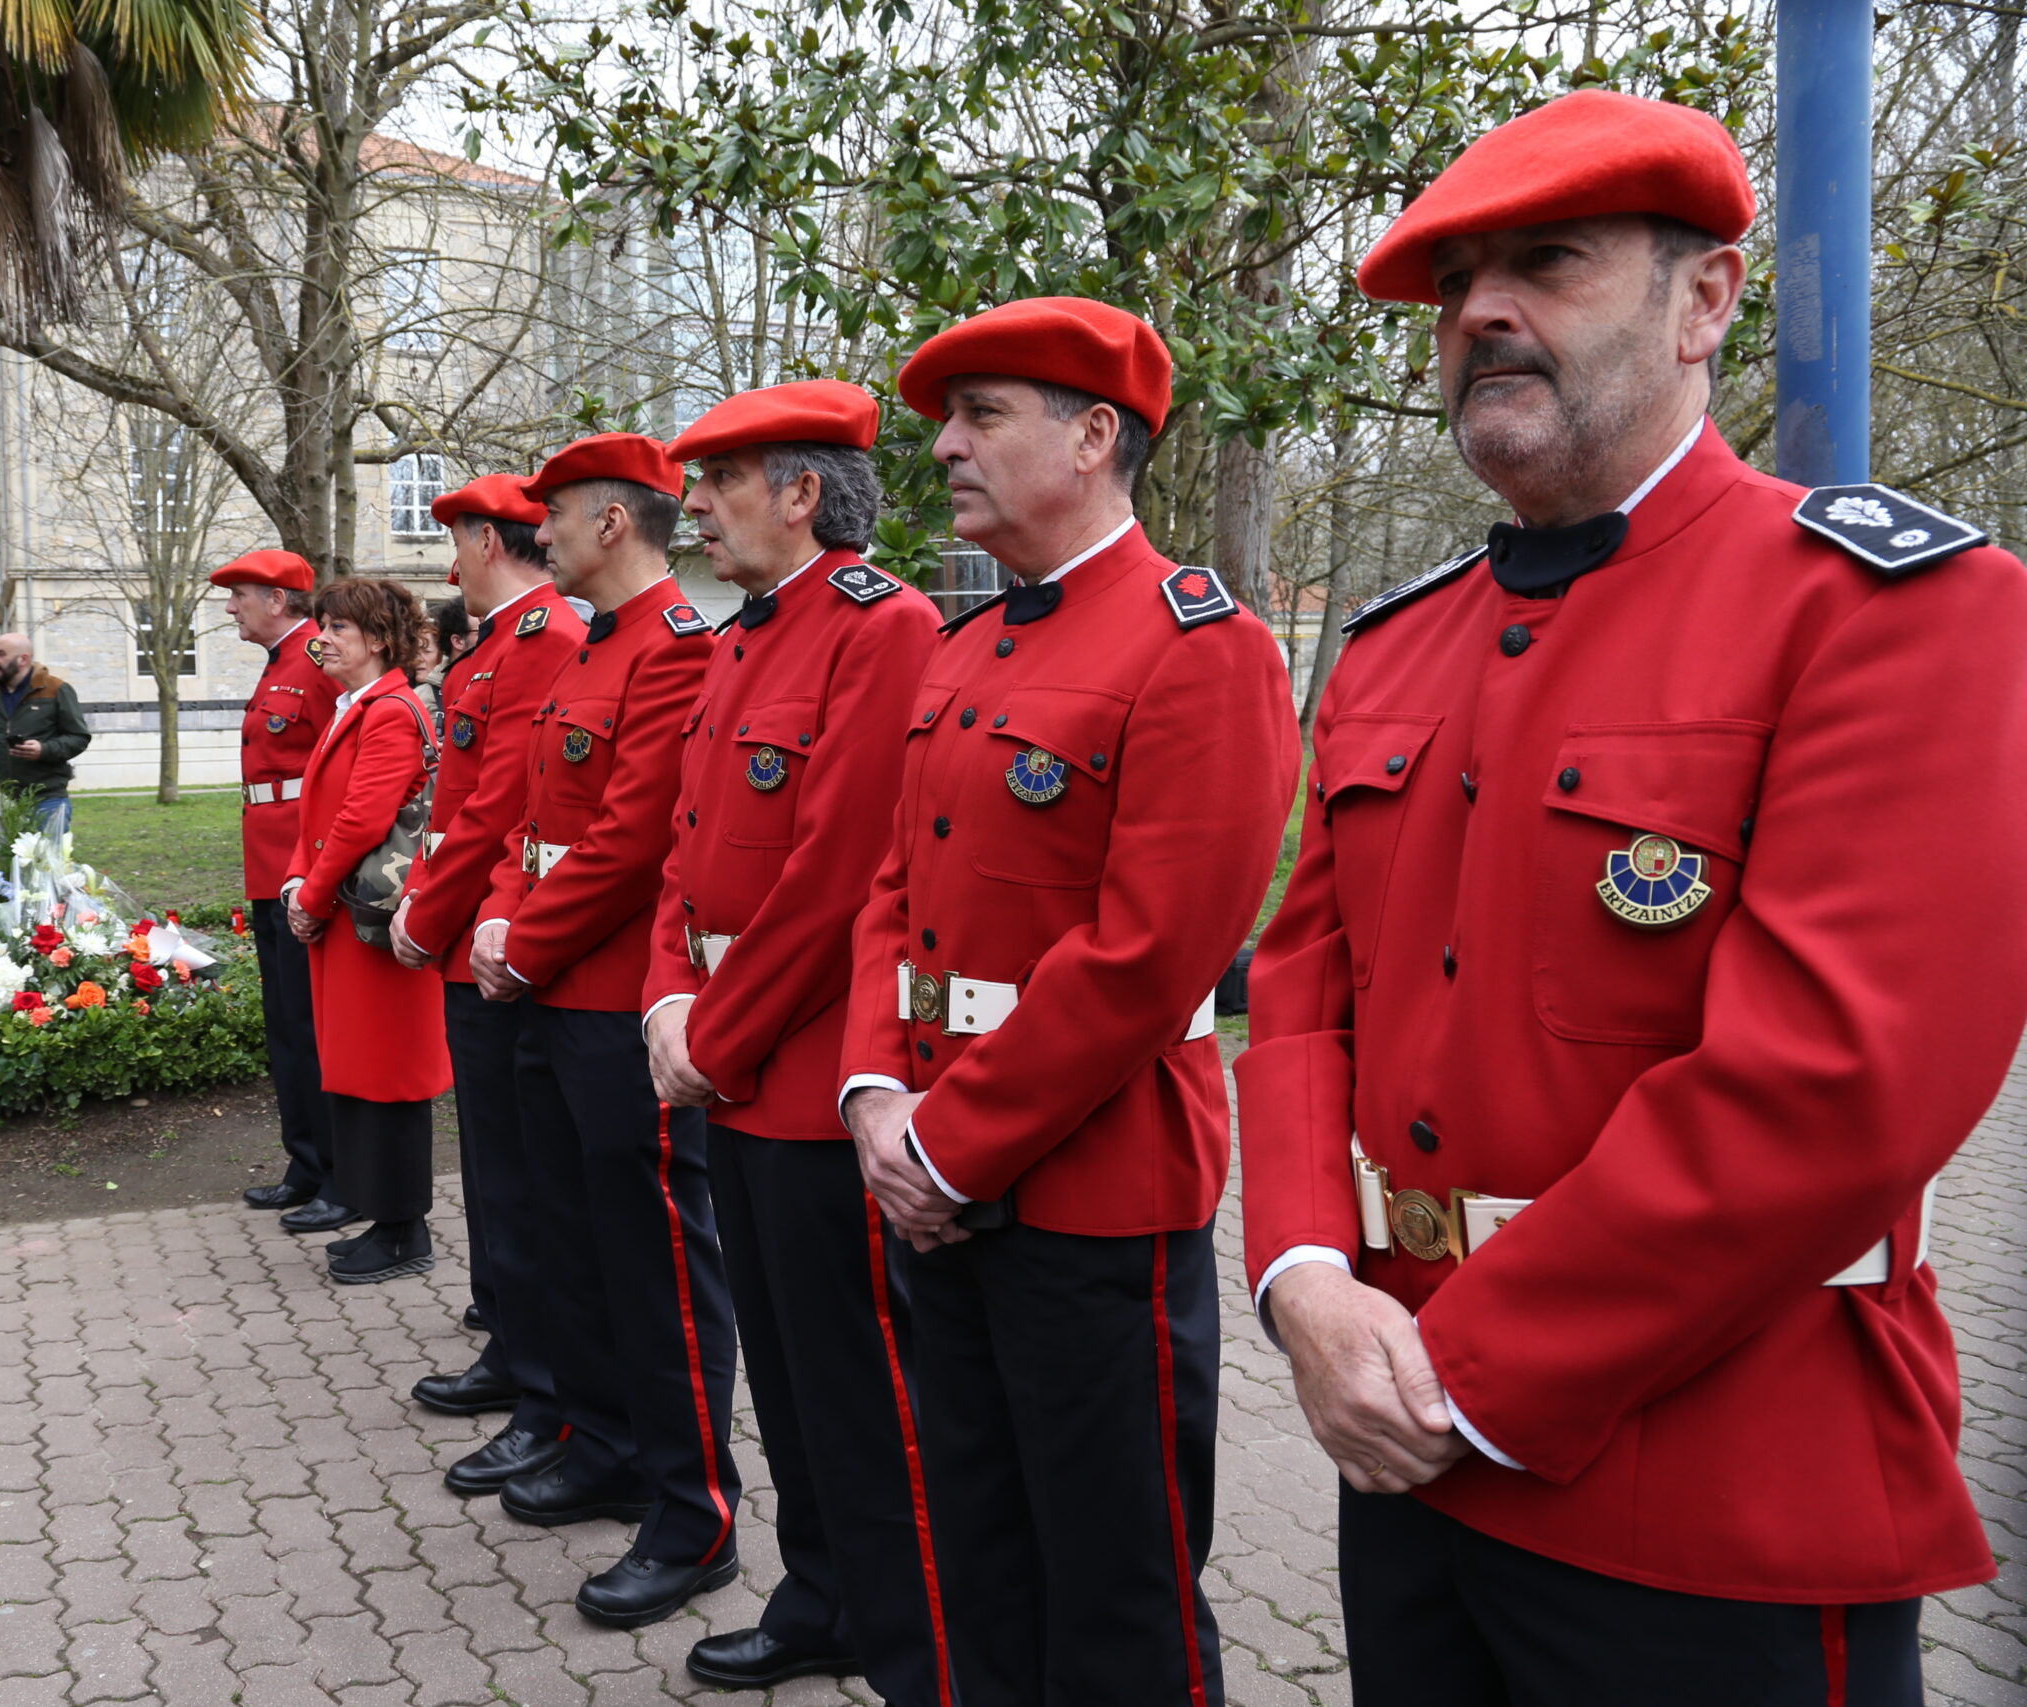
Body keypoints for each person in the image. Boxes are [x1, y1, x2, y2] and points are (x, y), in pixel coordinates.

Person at [1238, 90, 2027, 1707]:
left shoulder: (1892, 610)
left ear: (1707, 299)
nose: (1483, 315)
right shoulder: (1395, 645)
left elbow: (1834, 1089)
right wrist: (1306, 1277)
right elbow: (1304, 985)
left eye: (1550, 262)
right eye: (1458, 287)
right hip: (1395, 1453)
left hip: (1711, 1505)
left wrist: (1454, 1375)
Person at [838, 298, 1300, 1703]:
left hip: (1089, 1195)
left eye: (982, 414)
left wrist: (942, 1145)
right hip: (930, 1164)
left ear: (1096, 435)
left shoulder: (1199, 646)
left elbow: (1150, 955)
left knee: (1116, 1595)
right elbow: (887, 893)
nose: (942, 445)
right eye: (945, 417)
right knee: (975, 1552)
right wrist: (871, 1092)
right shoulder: (963, 649)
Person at [645, 381, 949, 1700]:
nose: (694, 506)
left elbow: (838, 876)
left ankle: (915, 1641)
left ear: (802, 493)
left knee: (863, 1391)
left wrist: (707, 1035)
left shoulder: (886, 630)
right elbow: (685, 849)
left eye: (718, 480)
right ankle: (823, 1593)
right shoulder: (742, 638)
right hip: (729, 1059)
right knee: (787, 1371)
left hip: (818, 1078)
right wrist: (667, 1000)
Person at [468, 434, 735, 1629]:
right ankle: (601, 1438)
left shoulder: (675, 648)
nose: (546, 535)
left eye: (560, 515)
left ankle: (694, 1513)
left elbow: (631, 842)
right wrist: (497, 919)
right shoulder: (597, 645)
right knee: (573, 1240)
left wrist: (520, 947)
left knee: (658, 1264)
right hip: (547, 991)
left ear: (614, 524)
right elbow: (533, 819)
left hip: (613, 1000)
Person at [387, 474, 583, 1496]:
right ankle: (513, 1349)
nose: (447, 560)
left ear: (487, 540)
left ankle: (541, 1376)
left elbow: (502, 805)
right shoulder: (498, 641)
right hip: (473, 934)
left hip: (497, 938)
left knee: (521, 1179)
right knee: (498, 1173)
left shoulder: (545, 639)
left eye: (455, 539)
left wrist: (425, 911)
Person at [279, 578, 451, 1284]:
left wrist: (311, 894)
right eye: (321, 625)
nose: (324, 637)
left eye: (338, 627)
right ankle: (380, 1216)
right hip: (344, 915)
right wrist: (298, 880)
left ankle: (404, 1229)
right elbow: (316, 814)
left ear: (378, 638)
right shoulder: (358, 705)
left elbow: (362, 818)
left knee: (390, 1075)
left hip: (369, 919)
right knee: (356, 1067)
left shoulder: (393, 710)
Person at [214, 549, 346, 1233]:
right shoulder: (280, 666)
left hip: (303, 863)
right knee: (287, 1027)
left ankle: (337, 1170)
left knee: (311, 1025)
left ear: (277, 599)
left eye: (239, 595)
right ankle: (305, 1163)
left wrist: (318, 869)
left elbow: (351, 760)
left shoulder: (319, 661)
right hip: (269, 864)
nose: (230, 606)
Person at [0, 632, 91, 833]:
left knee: (47, 863)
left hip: (45, 800)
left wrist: (45, 750)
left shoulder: (57, 690)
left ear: (23, 659)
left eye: (1, 654)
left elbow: (78, 737)